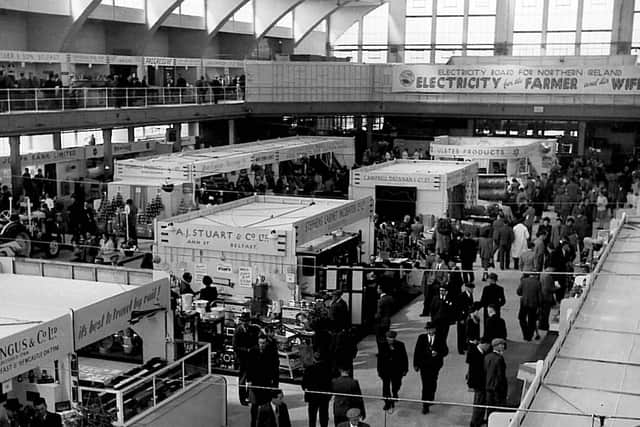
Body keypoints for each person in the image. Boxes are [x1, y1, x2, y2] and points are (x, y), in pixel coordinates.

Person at [413, 321, 448, 414]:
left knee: (432, 382)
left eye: (431, 329)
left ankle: (431, 397)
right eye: (428, 329)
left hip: (435, 365)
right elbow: (417, 351)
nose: (429, 331)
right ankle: (425, 404)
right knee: (425, 384)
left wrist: (438, 353)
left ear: (434, 329)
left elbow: (445, 351)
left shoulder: (440, 338)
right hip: (424, 365)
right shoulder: (421, 338)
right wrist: (415, 364)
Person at [248, 335, 280, 427]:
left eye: (263, 343)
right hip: (254, 383)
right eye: (260, 343)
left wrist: (275, 385)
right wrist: (249, 380)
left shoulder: (271, 353)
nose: (261, 345)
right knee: (254, 406)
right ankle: (253, 424)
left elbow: (275, 370)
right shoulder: (253, 351)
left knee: (266, 405)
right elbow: (249, 366)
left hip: (266, 382)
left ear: (266, 343)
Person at [376, 330, 408, 411]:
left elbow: (404, 357)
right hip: (385, 370)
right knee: (386, 387)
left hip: (397, 369)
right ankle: (387, 403)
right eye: (389, 338)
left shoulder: (400, 345)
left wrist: (405, 369)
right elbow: (380, 359)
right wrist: (379, 370)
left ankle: (395, 392)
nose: (390, 340)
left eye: (392, 338)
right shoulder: (382, 345)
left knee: (397, 384)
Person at [233, 312, 257, 406]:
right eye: (244, 321)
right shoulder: (238, 331)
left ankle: (250, 396)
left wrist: (253, 349)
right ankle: (242, 399)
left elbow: (256, 341)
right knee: (242, 380)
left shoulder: (253, 329)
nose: (245, 323)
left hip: (251, 358)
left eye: (247, 321)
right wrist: (246, 350)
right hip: (242, 359)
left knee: (252, 379)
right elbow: (235, 346)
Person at [302, 353, 332, 427]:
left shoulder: (309, 369)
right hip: (324, 397)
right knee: (324, 416)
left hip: (312, 397)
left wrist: (306, 389)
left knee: (312, 417)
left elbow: (303, 384)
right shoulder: (327, 369)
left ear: (314, 359)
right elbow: (330, 383)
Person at [467, 341, 492, 427]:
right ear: (484, 344)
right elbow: (474, 372)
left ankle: (478, 420)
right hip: (479, 384)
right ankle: (475, 422)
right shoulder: (476, 355)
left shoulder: (477, 352)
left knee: (480, 403)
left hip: (479, 384)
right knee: (479, 404)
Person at [485, 339, 508, 419]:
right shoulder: (499, 359)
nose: (503, 346)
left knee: (490, 409)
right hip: (497, 389)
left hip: (488, 387)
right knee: (498, 410)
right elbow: (500, 375)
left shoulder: (487, 357)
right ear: (496, 346)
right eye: (501, 344)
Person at [517, 273, 542, 341]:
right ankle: (529, 335)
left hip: (524, 302)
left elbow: (518, 292)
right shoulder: (538, 283)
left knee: (521, 318)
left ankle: (525, 333)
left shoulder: (524, 281)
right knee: (532, 320)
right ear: (536, 275)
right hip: (533, 304)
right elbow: (539, 296)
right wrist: (540, 306)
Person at [456, 282, 475, 354]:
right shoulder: (461, 296)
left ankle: (465, 346)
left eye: (472, 288)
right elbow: (458, 308)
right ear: (466, 288)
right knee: (461, 333)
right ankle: (460, 349)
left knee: (466, 332)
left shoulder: (470, 295)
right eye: (471, 288)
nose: (472, 290)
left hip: (468, 316)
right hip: (462, 317)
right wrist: (460, 318)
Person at [374, 285, 394, 351]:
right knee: (386, 336)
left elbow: (379, 313)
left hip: (380, 322)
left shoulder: (380, 301)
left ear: (381, 290)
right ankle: (387, 349)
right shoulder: (390, 298)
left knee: (379, 338)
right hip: (387, 320)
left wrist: (375, 317)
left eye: (378, 288)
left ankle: (381, 351)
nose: (377, 289)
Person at [539, 267, 556, 331]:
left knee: (542, 312)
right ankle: (544, 326)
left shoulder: (542, 274)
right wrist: (556, 288)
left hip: (542, 295)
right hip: (547, 297)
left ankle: (541, 325)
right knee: (546, 313)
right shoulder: (549, 277)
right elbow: (549, 288)